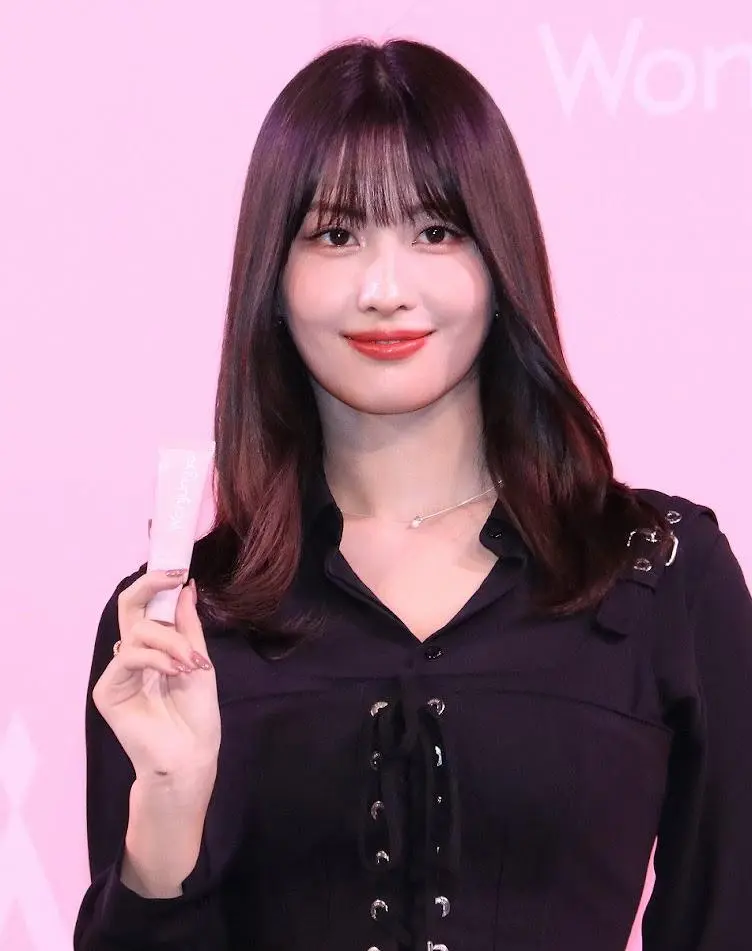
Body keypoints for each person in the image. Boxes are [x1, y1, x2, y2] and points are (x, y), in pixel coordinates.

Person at [73, 36, 752, 951]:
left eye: (436, 231)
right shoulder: (181, 626)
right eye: (336, 235)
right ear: (274, 276)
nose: (385, 289)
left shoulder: (660, 574)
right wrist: (166, 807)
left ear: (499, 259)